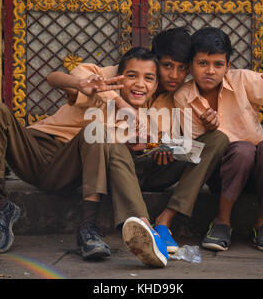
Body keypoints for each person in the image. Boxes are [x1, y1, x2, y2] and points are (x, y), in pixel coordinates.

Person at [0, 47, 168, 266]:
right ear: (119, 76)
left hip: (70, 168)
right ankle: (0, 207)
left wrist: (134, 144)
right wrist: (83, 87)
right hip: (36, 150)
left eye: (149, 79)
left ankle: (87, 228)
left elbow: (117, 158)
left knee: (95, 131)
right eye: (132, 76)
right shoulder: (100, 93)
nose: (140, 84)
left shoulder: (145, 122)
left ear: (156, 86)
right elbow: (53, 77)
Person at [50, 27, 229, 255]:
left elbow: (176, 140)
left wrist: (166, 147)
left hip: (153, 166)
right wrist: (117, 102)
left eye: (182, 68)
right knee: (113, 145)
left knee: (217, 139)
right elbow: (58, 79)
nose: (174, 75)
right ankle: (143, 226)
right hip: (114, 166)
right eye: (167, 66)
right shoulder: (115, 78)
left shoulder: (179, 96)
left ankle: (164, 221)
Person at [174, 27, 263, 252]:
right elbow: (197, 152)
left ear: (228, 66)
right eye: (202, 63)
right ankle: (222, 222)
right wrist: (209, 133)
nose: (210, 71)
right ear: (190, 66)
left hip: (260, 174)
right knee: (243, 150)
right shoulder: (184, 96)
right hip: (221, 174)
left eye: (218, 64)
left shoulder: (243, 80)